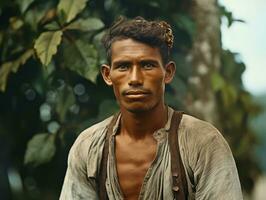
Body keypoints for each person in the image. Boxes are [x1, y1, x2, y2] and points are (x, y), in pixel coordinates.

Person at [59, 16, 243, 200]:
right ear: (108, 75)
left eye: (147, 65)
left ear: (168, 72)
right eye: (123, 66)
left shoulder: (203, 142)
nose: (135, 79)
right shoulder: (88, 147)